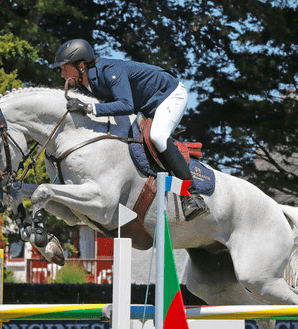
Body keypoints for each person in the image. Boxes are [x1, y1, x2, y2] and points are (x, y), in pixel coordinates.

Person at [51, 38, 210, 221]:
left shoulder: (110, 71)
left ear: (80, 66)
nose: (62, 74)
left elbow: (126, 105)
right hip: (144, 105)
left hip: (168, 95)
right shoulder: (87, 84)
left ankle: (192, 195)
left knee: (157, 136)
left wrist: (88, 108)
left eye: (64, 68)